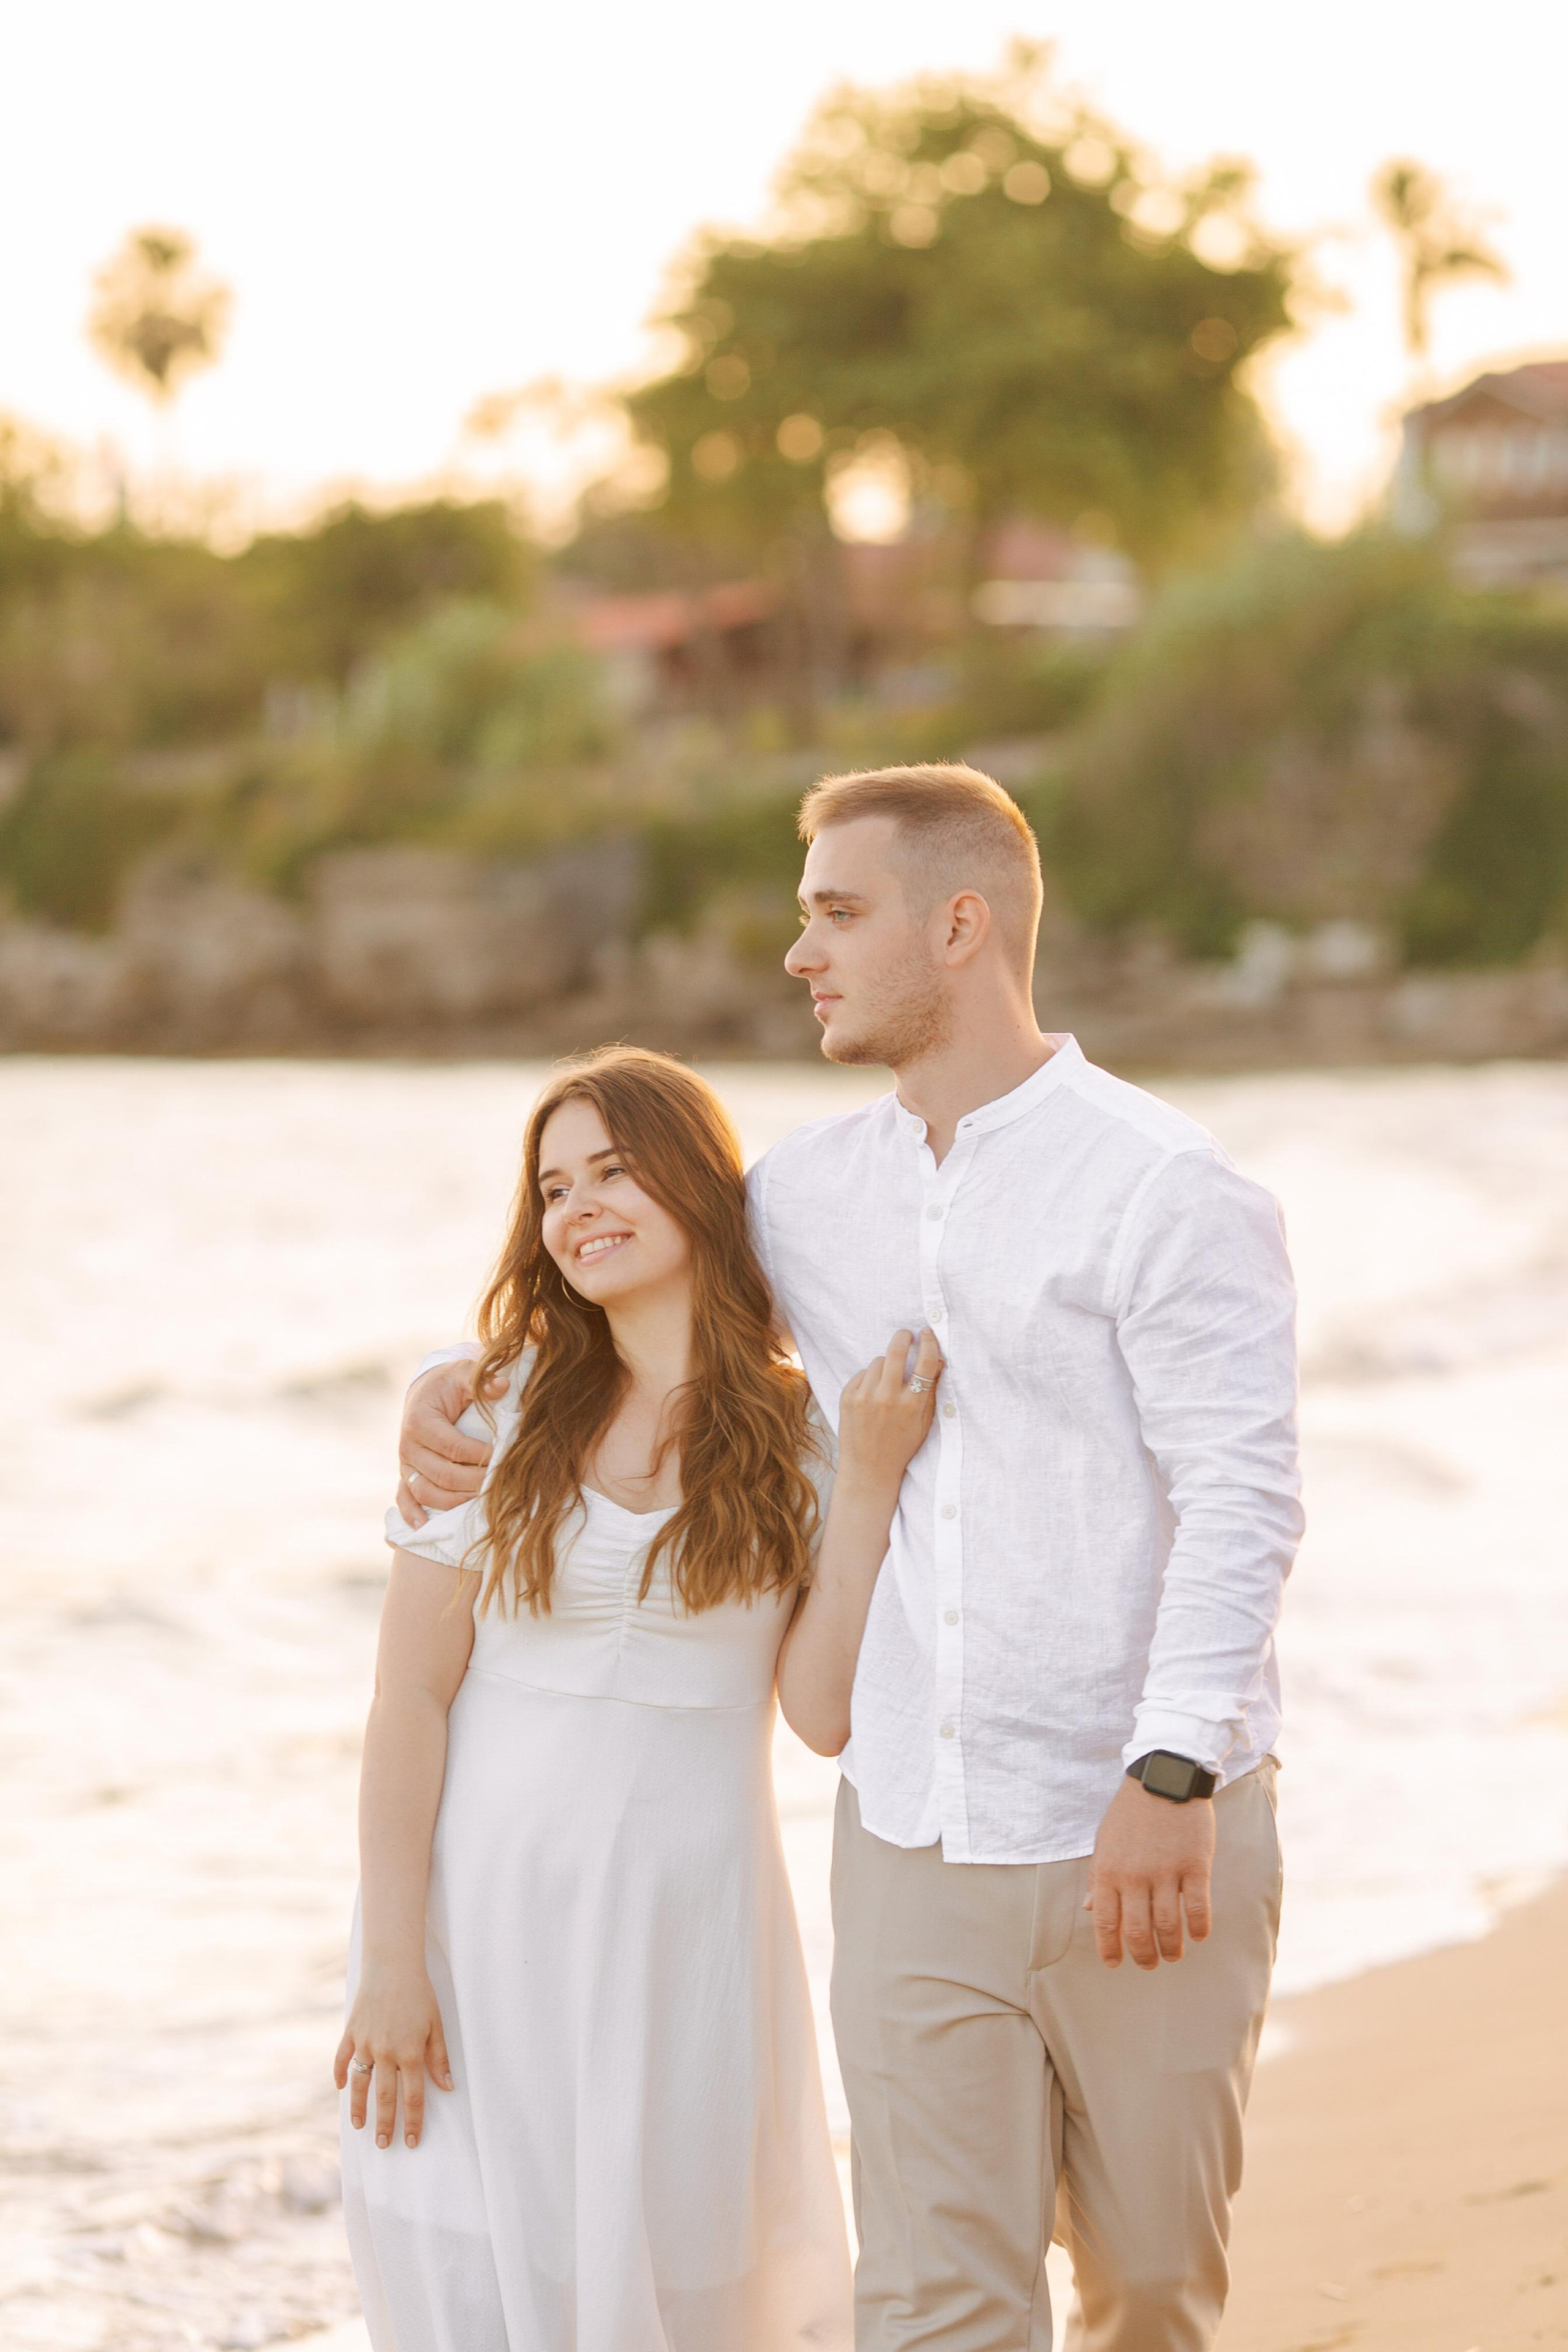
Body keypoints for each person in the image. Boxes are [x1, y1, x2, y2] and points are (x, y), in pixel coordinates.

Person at [398, 765, 1304, 2352]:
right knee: (936, 2305)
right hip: (908, 1837)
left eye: (834, 915)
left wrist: (1172, 1775)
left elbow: (1243, 1497)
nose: (797, 954)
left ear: (959, 926)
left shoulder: (1163, 1188)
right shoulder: (802, 1198)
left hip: (1137, 1826)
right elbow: (629, 1268)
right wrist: (461, 1379)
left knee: (1151, 2285)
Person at [338, 1047, 946, 2352]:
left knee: (677, 2276)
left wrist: (868, 1489)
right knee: (475, 2283)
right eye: (554, 1189)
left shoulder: (801, 1438)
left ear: (692, 1183)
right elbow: (408, 1702)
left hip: (689, 1933)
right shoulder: (490, 1409)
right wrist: (391, 1962)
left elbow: (821, 1716)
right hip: (478, 1924)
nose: (579, 1210)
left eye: (612, 1172)